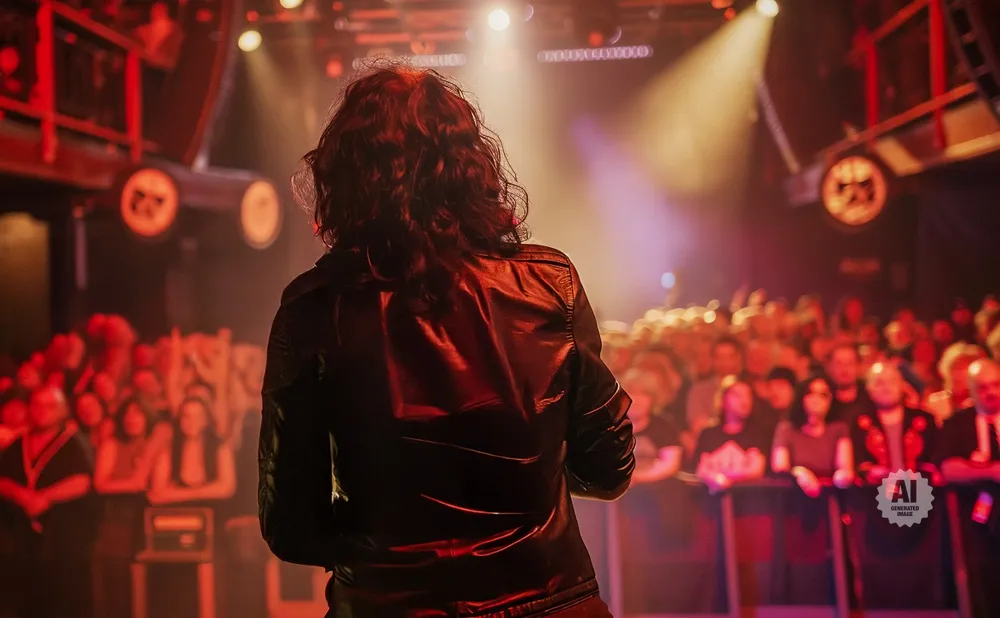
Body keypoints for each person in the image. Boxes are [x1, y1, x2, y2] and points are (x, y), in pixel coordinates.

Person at [258, 63, 635, 618]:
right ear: (469, 164)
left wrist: (383, 549)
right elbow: (608, 469)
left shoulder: (315, 306)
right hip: (550, 602)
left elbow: (291, 526)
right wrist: (528, 493)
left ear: (344, 174)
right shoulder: (549, 283)